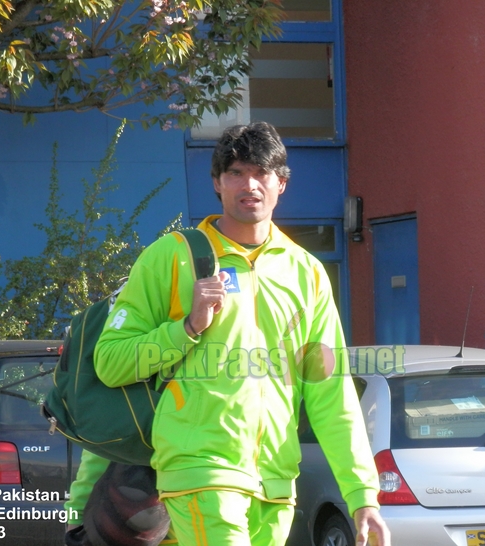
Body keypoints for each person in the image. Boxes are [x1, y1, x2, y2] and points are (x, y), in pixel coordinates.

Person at [94, 121, 390, 546]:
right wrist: (187, 328)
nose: (248, 184)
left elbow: (331, 392)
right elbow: (110, 362)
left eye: (261, 172)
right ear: (217, 182)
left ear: (281, 183)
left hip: (275, 481)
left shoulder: (305, 271)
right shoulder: (172, 257)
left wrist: (363, 498)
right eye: (235, 172)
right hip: (201, 469)